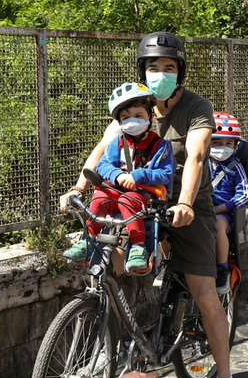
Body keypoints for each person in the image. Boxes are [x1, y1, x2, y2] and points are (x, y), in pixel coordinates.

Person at [60, 32, 238, 378]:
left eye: (168, 67)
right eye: (153, 67)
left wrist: (186, 202)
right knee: (108, 264)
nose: (160, 74)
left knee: (204, 292)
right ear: (142, 71)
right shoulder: (134, 105)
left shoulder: (195, 107)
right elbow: (102, 149)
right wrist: (78, 188)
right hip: (137, 203)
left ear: (180, 71)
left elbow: (196, 157)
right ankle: (110, 350)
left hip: (187, 206)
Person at [63, 82, 174, 274]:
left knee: (129, 199)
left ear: (150, 116)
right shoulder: (117, 143)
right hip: (115, 192)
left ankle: (138, 246)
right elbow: (103, 165)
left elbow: (166, 174)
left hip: (143, 196)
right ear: (119, 121)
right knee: (99, 197)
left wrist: (139, 176)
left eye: (139, 116)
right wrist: (118, 175)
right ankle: (88, 239)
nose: (133, 121)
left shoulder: (161, 146)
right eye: (126, 118)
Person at [209, 113, 248, 295]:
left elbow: (245, 194)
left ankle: (222, 268)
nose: (222, 147)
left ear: (235, 146)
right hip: (201, 210)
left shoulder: (236, 166)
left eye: (228, 143)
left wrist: (223, 208)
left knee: (218, 224)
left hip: (225, 215)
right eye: (216, 142)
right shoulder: (200, 164)